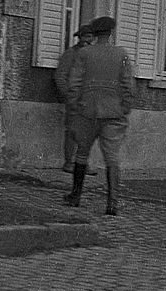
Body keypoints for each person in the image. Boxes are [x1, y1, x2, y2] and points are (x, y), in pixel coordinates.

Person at [64, 16, 136, 215]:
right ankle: (112, 203)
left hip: (87, 111)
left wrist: (75, 106)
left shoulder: (85, 53)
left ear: (94, 34)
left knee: (81, 153)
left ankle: (75, 196)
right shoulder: (121, 54)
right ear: (111, 32)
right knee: (112, 157)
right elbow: (128, 85)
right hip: (113, 112)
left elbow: (74, 84)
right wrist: (125, 107)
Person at [54, 24, 96, 173]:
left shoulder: (93, 56)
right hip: (74, 99)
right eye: (84, 37)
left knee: (87, 134)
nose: (87, 41)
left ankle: (82, 164)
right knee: (72, 132)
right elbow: (60, 77)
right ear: (79, 38)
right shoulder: (70, 54)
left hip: (89, 100)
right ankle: (69, 163)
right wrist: (69, 96)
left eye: (90, 37)